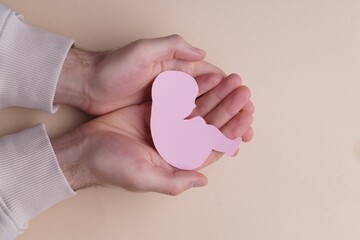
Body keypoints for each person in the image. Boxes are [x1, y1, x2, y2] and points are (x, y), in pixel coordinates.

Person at [0, 3, 254, 239]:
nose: (192, 105)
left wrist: (86, 78)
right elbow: (201, 131)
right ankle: (226, 144)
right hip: (187, 139)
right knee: (202, 130)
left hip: (184, 139)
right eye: (188, 99)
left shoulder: (175, 124)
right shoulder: (179, 125)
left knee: (201, 130)